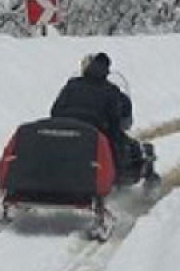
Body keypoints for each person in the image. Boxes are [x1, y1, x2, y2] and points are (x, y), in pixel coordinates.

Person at [50, 53, 156, 186]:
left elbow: (55, 111)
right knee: (121, 144)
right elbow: (115, 120)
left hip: (63, 133)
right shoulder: (112, 91)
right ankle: (119, 178)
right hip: (96, 137)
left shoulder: (71, 85)